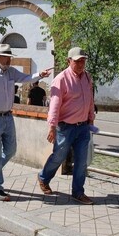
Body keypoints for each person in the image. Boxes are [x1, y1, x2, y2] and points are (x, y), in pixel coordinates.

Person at [0, 44, 51, 201]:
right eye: (6, 56)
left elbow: (26, 78)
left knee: (11, 150)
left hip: (8, 118)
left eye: (10, 56)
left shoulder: (11, 72)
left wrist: (39, 75)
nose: (9, 59)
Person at [37, 47, 96, 205]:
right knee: (59, 156)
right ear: (69, 61)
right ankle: (43, 178)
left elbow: (90, 100)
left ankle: (78, 192)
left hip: (83, 127)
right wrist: (52, 126)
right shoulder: (61, 79)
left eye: (83, 60)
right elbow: (55, 105)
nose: (81, 63)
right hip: (65, 127)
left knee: (81, 161)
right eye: (77, 61)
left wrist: (91, 119)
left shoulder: (87, 78)